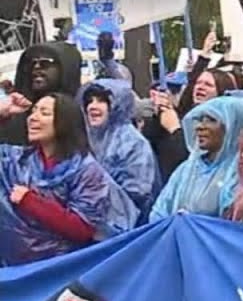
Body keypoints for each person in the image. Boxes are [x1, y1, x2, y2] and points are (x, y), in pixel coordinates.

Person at [0, 93, 137, 265]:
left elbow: (82, 228)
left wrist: (31, 201)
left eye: (45, 113)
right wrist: (3, 113)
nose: (33, 118)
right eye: (33, 112)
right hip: (15, 271)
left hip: (62, 271)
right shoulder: (16, 161)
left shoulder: (86, 170)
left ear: (64, 121)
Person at [150, 95, 243, 221]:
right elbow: (159, 211)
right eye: (199, 119)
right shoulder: (186, 169)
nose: (200, 126)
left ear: (233, 126)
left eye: (211, 120)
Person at [79, 79, 161, 222]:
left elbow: (139, 192)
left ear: (117, 106)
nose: (92, 106)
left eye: (101, 101)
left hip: (128, 227)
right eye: (89, 101)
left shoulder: (133, 143)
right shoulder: (86, 138)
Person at [0, 42, 83, 145]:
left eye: (45, 63)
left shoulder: (85, 112)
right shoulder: (16, 113)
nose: (37, 67)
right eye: (32, 63)